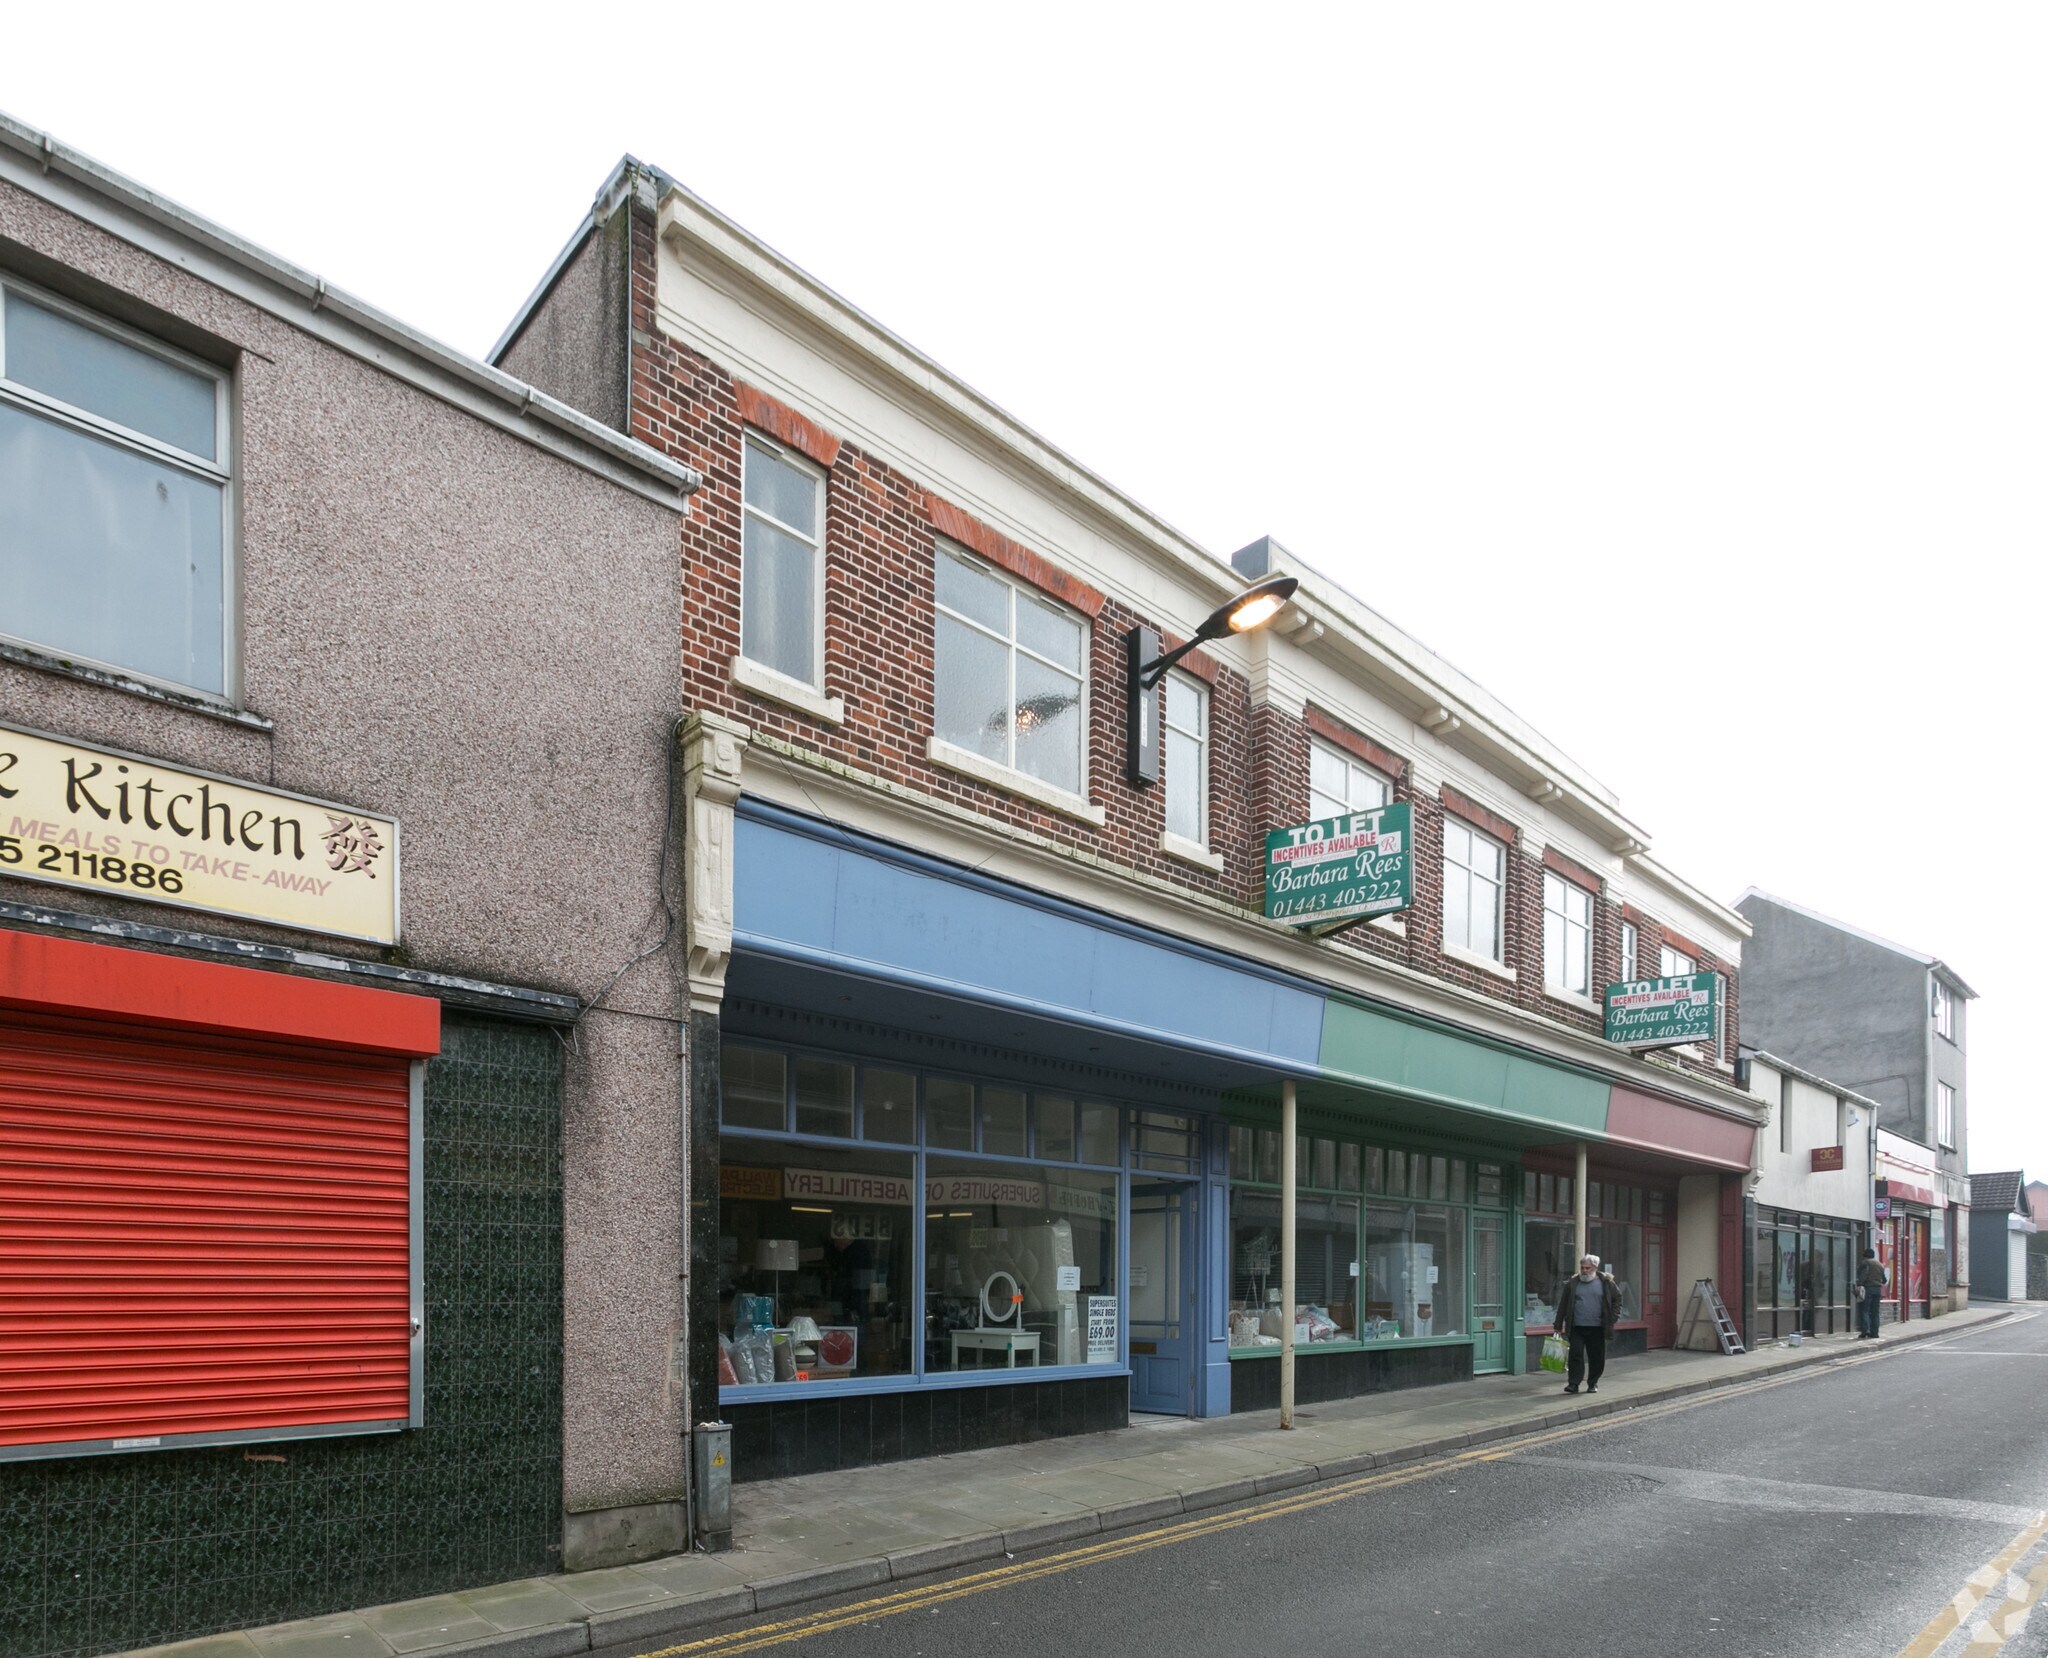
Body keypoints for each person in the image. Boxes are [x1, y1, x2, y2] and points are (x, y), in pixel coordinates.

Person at [1552, 1252, 1620, 1395]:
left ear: (1595, 1267)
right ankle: (1573, 1384)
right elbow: (1563, 1305)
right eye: (1582, 1268)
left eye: (1587, 1268)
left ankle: (1593, 1383)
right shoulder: (1573, 1283)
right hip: (1576, 1326)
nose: (1584, 1271)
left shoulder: (1606, 1283)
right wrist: (1558, 1324)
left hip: (1597, 1328)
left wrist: (1612, 1318)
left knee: (1596, 1357)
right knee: (1575, 1355)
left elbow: (1617, 1300)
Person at [1855, 1248, 1887, 1338]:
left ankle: (1865, 1331)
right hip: (1878, 1290)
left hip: (1868, 1289)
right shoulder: (1880, 1265)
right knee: (1875, 1312)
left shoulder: (1865, 1263)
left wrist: (1859, 1284)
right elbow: (1884, 1280)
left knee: (1865, 1310)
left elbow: (1862, 1275)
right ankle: (1875, 1333)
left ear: (1865, 1256)